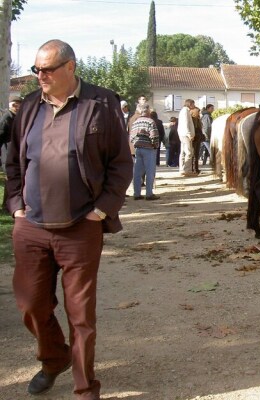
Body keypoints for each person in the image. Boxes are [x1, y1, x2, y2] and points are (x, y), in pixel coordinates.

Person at [5, 39, 132, 399]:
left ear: (70, 67)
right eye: (36, 70)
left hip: (80, 227)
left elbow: (120, 164)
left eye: (47, 70)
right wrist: (15, 204)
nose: (39, 76)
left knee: (81, 316)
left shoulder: (100, 103)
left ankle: (84, 388)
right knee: (31, 303)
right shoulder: (30, 106)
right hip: (31, 227)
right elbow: (14, 162)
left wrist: (102, 209)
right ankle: (54, 357)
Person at [130, 103, 160, 200]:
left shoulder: (136, 122)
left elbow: (131, 136)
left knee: (137, 172)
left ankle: (136, 193)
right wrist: (155, 145)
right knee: (150, 171)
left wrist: (135, 144)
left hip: (138, 148)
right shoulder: (150, 121)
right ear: (148, 111)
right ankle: (149, 193)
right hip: (148, 148)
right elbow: (154, 136)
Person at [178, 99, 197, 176]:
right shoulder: (185, 111)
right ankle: (187, 170)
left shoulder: (183, 111)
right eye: (193, 104)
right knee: (189, 152)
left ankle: (182, 169)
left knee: (183, 152)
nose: (194, 106)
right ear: (190, 104)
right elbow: (185, 123)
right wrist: (189, 134)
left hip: (182, 134)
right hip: (185, 134)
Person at [191, 106, 205, 174]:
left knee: (196, 154)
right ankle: (193, 169)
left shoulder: (198, 120)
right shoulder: (192, 120)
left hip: (198, 138)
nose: (199, 113)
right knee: (193, 154)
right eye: (198, 112)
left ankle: (196, 168)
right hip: (194, 138)